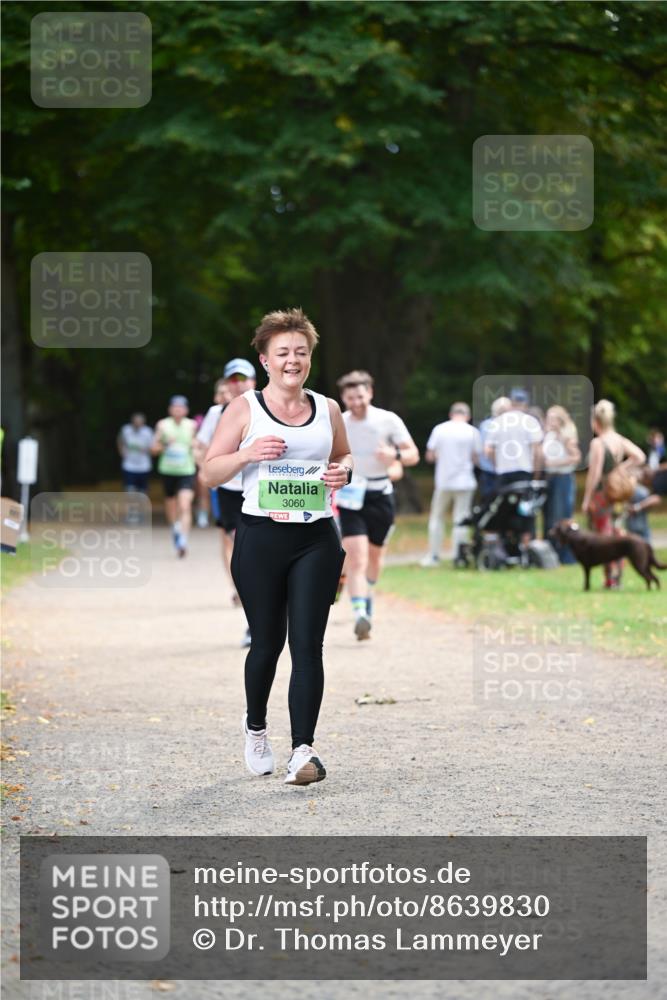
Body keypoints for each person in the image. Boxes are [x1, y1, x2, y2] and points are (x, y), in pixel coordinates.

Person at [203, 308, 351, 786]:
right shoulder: (244, 408)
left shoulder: (328, 408)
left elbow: (342, 455)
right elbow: (209, 471)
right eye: (283, 353)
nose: (293, 361)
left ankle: (303, 751)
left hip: (315, 537)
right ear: (265, 360)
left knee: (308, 644)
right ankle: (256, 728)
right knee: (266, 642)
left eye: (301, 353)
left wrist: (343, 472)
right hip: (261, 536)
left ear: (310, 359)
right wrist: (247, 453)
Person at [336, 370, 419, 641]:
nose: (356, 402)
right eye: (350, 397)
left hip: (380, 494)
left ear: (369, 393)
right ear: (343, 398)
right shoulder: (340, 421)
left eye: (360, 396)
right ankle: (360, 614)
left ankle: (367, 594)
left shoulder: (388, 420)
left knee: (375, 557)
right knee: (356, 557)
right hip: (350, 496)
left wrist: (393, 454)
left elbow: (413, 455)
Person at [196, 361, 257, 647]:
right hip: (230, 490)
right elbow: (200, 446)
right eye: (232, 379)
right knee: (241, 549)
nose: (237, 384)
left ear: (254, 381)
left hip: (262, 487)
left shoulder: (264, 407)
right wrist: (208, 469)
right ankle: (252, 621)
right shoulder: (216, 413)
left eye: (242, 379)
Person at [581, 399, 645, 588]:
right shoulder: (618, 439)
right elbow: (640, 456)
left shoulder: (598, 443)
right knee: (619, 534)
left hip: (602, 495)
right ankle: (617, 577)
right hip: (617, 495)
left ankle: (609, 578)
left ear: (596, 421)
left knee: (604, 538)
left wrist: (586, 498)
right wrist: (621, 468)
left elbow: (595, 474)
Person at [420, 402, 481, 567]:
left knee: (437, 517)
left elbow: (430, 456)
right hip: (465, 481)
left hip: (444, 481)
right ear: (467, 416)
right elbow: (476, 458)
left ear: (451, 414)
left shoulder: (440, 429)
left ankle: (434, 556)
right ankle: (458, 555)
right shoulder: (472, 431)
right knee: (461, 519)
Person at [484, 387, 544, 545]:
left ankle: (503, 542)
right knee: (526, 509)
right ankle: (526, 544)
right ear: (525, 404)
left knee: (503, 508)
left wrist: (497, 464)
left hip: (504, 473)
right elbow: (537, 451)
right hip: (524, 472)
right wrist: (536, 473)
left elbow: (488, 450)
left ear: (511, 403)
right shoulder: (530, 422)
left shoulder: (498, 422)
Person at [152, 395, 197, 558]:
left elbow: (198, 446)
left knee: (185, 505)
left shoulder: (192, 425)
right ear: (170, 409)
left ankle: (183, 540)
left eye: (181, 407)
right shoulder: (163, 425)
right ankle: (175, 528)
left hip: (187, 470)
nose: (178, 410)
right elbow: (153, 449)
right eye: (175, 407)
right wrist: (164, 445)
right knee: (171, 505)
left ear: (186, 410)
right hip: (168, 471)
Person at [542, 405, 581, 563]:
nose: (549, 421)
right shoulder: (549, 435)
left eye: (553, 419)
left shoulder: (566, 437)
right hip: (550, 478)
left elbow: (576, 457)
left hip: (562, 479)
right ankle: (551, 555)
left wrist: (555, 463)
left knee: (561, 517)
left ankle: (566, 556)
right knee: (550, 517)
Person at [477, 397, 511, 501]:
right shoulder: (487, 426)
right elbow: (488, 451)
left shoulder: (485, 425)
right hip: (493, 471)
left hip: (495, 470)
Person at [117, 412, 153, 496]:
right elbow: (120, 440)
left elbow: (153, 447)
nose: (137, 424)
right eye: (136, 421)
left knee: (143, 491)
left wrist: (148, 450)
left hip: (144, 466)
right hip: (129, 466)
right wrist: (121, 451)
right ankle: (131, 509)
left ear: (143, 422)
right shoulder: (126, 430)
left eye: (139, 422)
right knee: (130, 490)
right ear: (132, 421)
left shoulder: (148, 432)